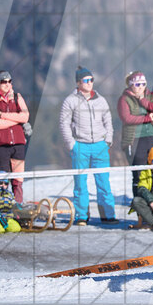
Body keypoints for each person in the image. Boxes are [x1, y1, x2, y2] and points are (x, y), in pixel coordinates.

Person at [59, 65, 118, 226]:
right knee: (80, 183)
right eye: (86, 80)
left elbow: (108, 121)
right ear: (78, 83)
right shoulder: (70, 101)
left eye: (91, 80)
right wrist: (72, 144)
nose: (90, 83)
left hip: (100, 145)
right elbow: (64, 124)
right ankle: (82, 216)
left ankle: (107, 215)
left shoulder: (101, 99)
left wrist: (108, 141)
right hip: (80, 146)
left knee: (103, 182)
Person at [0, 69, 29, 203]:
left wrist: (3, 115)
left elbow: (25, 116)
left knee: (18, 181)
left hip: (18, 145)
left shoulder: (17, 97)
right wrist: (17, 120)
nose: (8, 84)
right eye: (4, 82)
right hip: (1, 146)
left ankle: (18, 210)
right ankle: (3, 208)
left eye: (10, 81)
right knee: (2, 181)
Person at [118, 71, 153, 168]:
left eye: (143, 84)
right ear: (131, 85)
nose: (141, 87)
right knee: (139, 171)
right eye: (137, 84)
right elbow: (127, 118)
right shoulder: (124, 99)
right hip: (135, 139)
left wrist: (144, 102)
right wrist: (147, 118)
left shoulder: (152, 96)